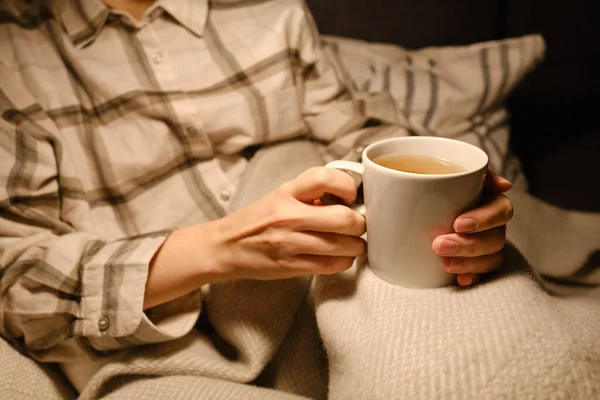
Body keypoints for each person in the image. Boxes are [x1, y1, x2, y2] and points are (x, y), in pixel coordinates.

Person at [0, 0, 513, 394]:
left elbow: (362, 137)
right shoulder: (14, 54)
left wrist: (441, 199)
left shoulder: (274, 10)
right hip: (157, 346)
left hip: (339, 278)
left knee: (490, 345)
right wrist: (223, 248)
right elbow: (18, 280)